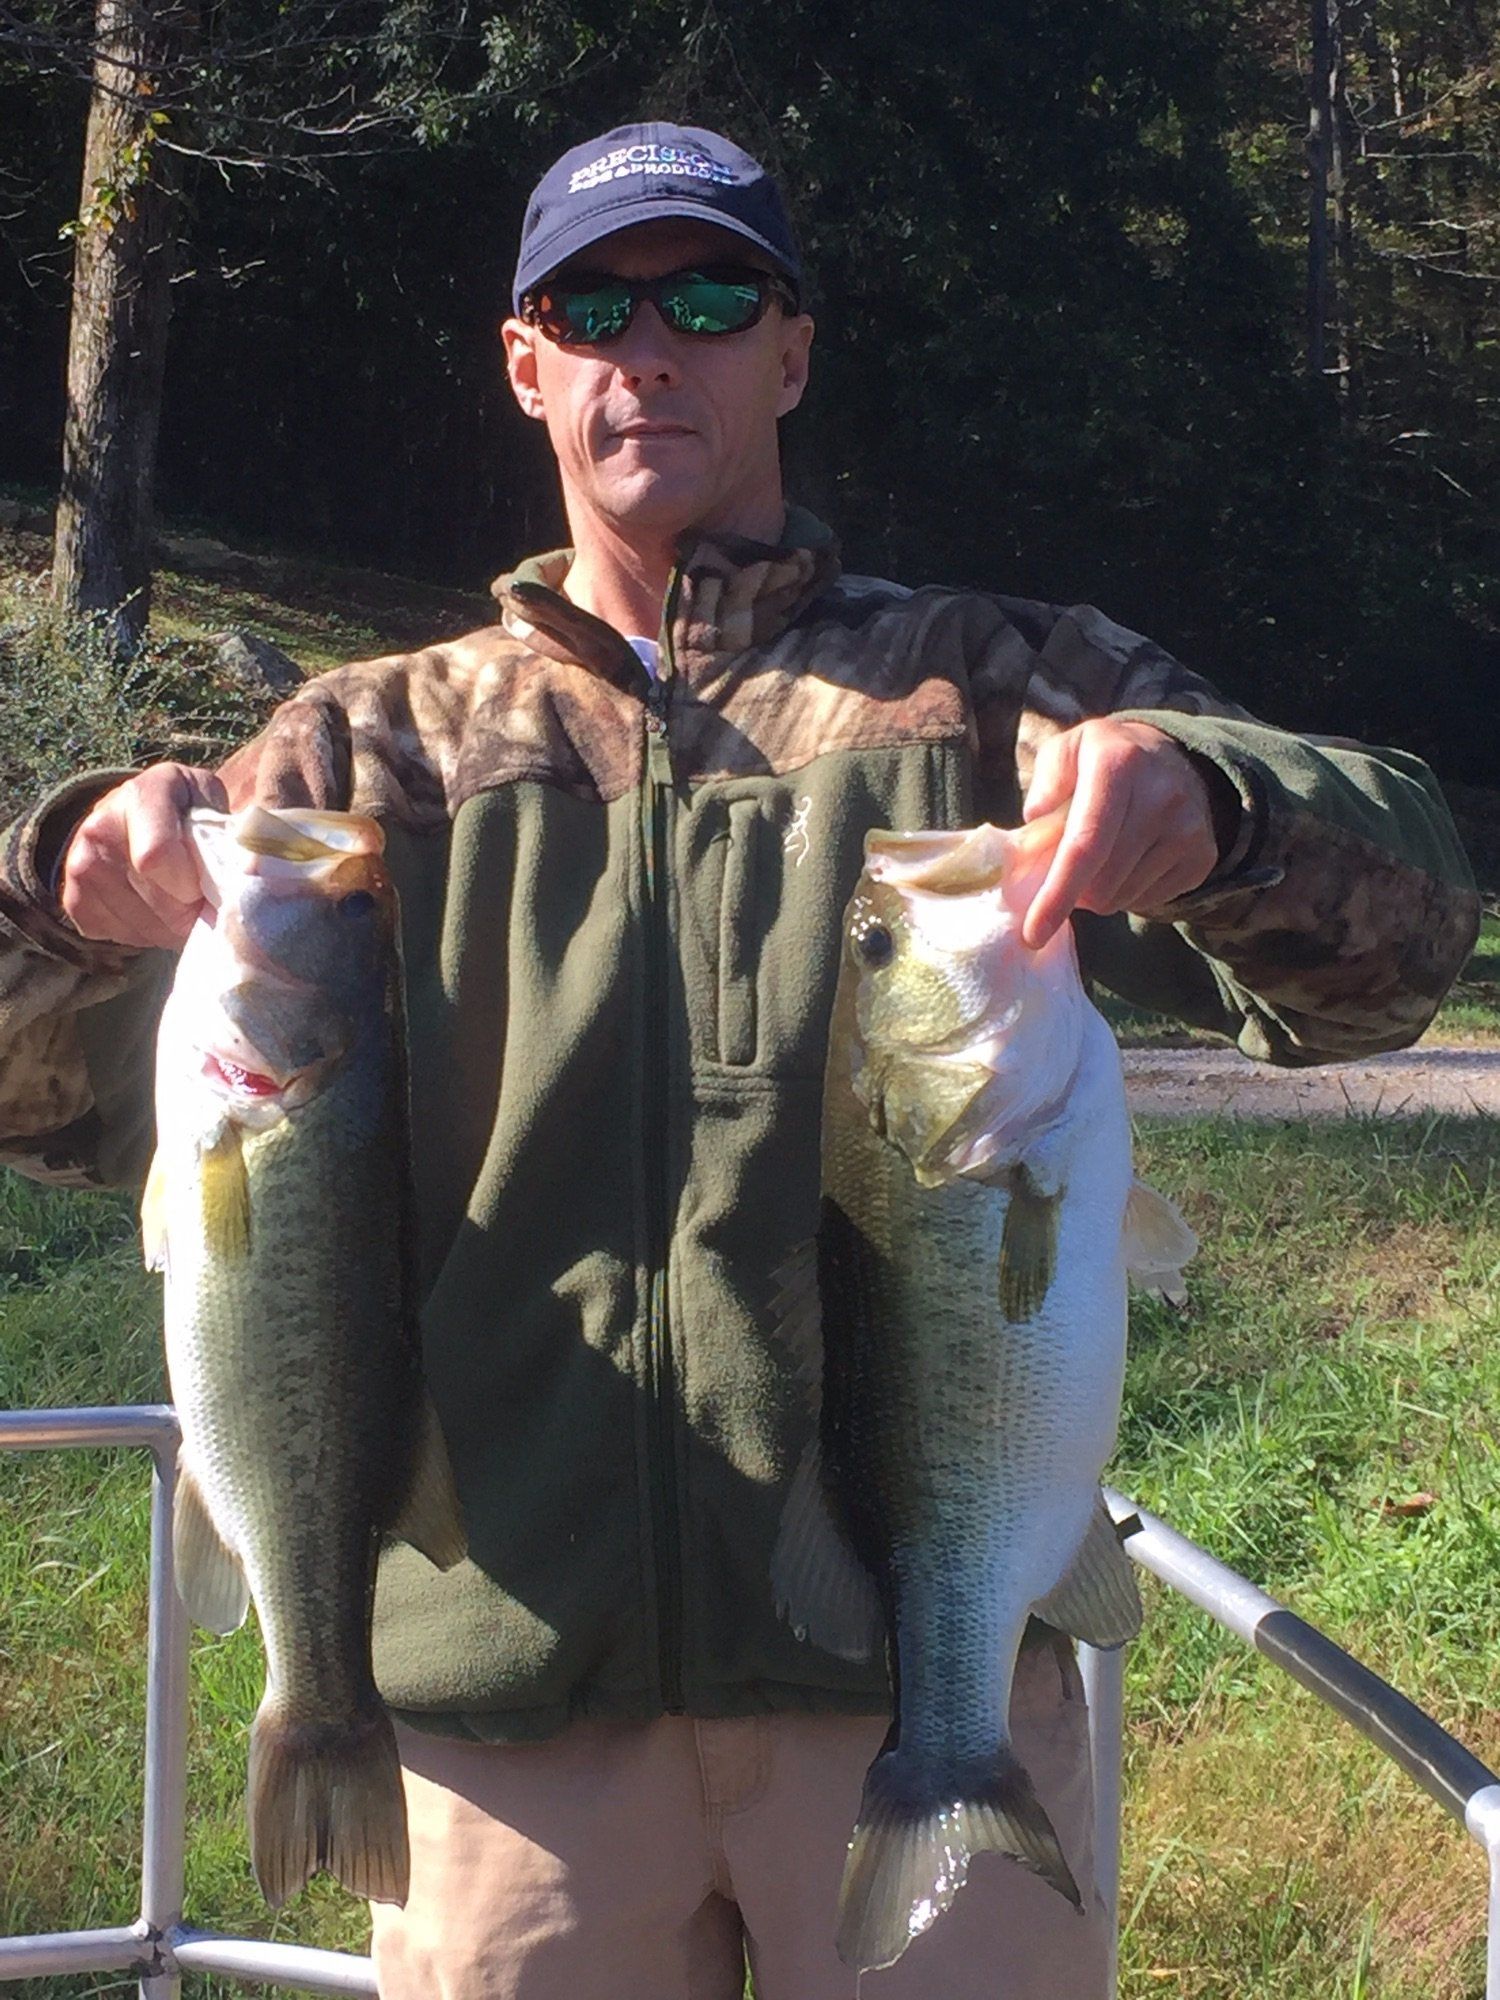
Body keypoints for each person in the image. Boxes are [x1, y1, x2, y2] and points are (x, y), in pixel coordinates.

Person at [0, 122, 1480, 1999]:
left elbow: (1407, 946)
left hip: (911, 1684)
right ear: (524, 363)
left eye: (707, 297)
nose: (650, 347)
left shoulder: (992, 693)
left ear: (791, 350)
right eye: (592, 307)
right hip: (498, 1732)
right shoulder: (357, 763)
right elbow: (48, 1099)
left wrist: (1225, 813)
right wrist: (63, 881)